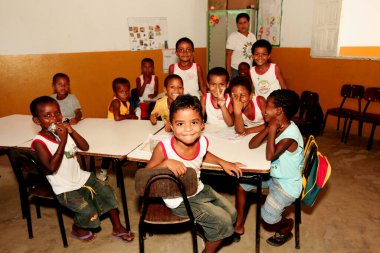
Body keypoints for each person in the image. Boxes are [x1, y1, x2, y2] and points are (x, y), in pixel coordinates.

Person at [146, 94, 244, 253]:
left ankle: (208, 229)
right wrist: (165, 163)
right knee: (224, 223)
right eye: (180, 123)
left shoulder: (202, 141)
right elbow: (145, 176)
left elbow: (203, 153)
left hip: (198, 188)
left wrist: (223, 162)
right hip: (179, 199)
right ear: (171, 125)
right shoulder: (164, 148)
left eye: (194, 122)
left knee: (233, 215)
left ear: (202, 125)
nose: (188, 129)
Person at [29, 96, 135, 243]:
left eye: (57, 113)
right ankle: (77, 228)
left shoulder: (62, 132)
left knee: (108, 193)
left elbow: (85, 147)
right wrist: (63, 140)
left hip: (81, 177)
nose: (54, 118)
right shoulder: (39, 142)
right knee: (88, 211)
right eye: (47, 116)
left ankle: (117, 227)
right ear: (37, 120)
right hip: (64, 188)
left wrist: (71, 131)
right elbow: (52, 167)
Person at [234, 89, 303, 246]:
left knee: (268, 218)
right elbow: (252, 145)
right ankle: (238, 223)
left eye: (267, 106)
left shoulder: (290, 135)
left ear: (278, 111)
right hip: (274, 176)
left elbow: (269, 156)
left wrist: (271, 129)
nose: (264, 109)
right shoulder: (278, 125)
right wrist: (267, 128)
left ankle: (287, 225)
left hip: (287, 185)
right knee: (241, 185)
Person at [98, 77, 138, 181]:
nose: (125, 94)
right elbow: (117, 117)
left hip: (120, 130)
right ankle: (103, 171)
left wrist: (132, 114)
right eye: (121, 92)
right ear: (115, 92)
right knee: (108, 152)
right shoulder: (116, 102)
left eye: (127, 91)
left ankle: (120, 160)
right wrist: (130, 116)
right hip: (111, 131)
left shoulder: (127, 102)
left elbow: (132, 113)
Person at [226, 13, 257, 79]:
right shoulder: (233, 36)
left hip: (249, 69)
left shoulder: (252, 36)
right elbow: (228, 55)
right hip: (236, 69)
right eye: (240, 23)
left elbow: (255, 53)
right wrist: (229, 72)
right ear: (237, 25)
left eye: (245, 22)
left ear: (248, 23)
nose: (243, 25)